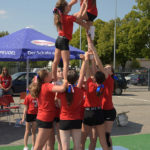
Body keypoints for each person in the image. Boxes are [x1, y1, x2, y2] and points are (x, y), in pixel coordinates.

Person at [81, 34, 109, 150]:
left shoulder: (90, 85)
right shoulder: (102, 86)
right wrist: (92, 60)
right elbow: (93, 73)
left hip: (88, 113)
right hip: (99, 113)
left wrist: (86, 59)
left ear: (94, 78)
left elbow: (87, 72)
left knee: (82, 141)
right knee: (102, 141)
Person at [29, 69, 67, 150]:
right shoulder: (46, 85)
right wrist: (66, 80)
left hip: (45, 117)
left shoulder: (42, 85)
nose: (51, 75)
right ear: (46, 78)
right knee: (38, 146)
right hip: (45, 118)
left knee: (49, 143)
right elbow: (62, 89)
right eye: (49, 74)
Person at [57, 52, 89, 150]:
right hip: (76, 120)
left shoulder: (61, 90)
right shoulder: (79, 90)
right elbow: (82, 73)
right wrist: (85, 60)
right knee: (77, 146)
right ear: (76, 79)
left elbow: (58, 105)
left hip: (64, 119)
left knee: (65, 147)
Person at [52, 0, 89, 81]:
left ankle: (54, 79)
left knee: (55, 61)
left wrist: (73, 2)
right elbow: (81, 20)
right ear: (65, 8)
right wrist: (84, 6)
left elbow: (67, 6)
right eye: (68, 6)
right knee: (66, 63)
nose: (70, 7)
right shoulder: (69, 18)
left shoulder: (60, 15)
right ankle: (65, 80)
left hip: (58, 39)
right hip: (64, 40)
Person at [102, 65, 117, 150]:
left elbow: (100, 68)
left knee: (106, 135)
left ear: (111, 73)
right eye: (105, 67)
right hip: (101, 110)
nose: (106, 69)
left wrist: (95, 54)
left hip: (109, 111)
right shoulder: (102, 80)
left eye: (108, 68)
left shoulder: (110, 80)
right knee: (103, 135)